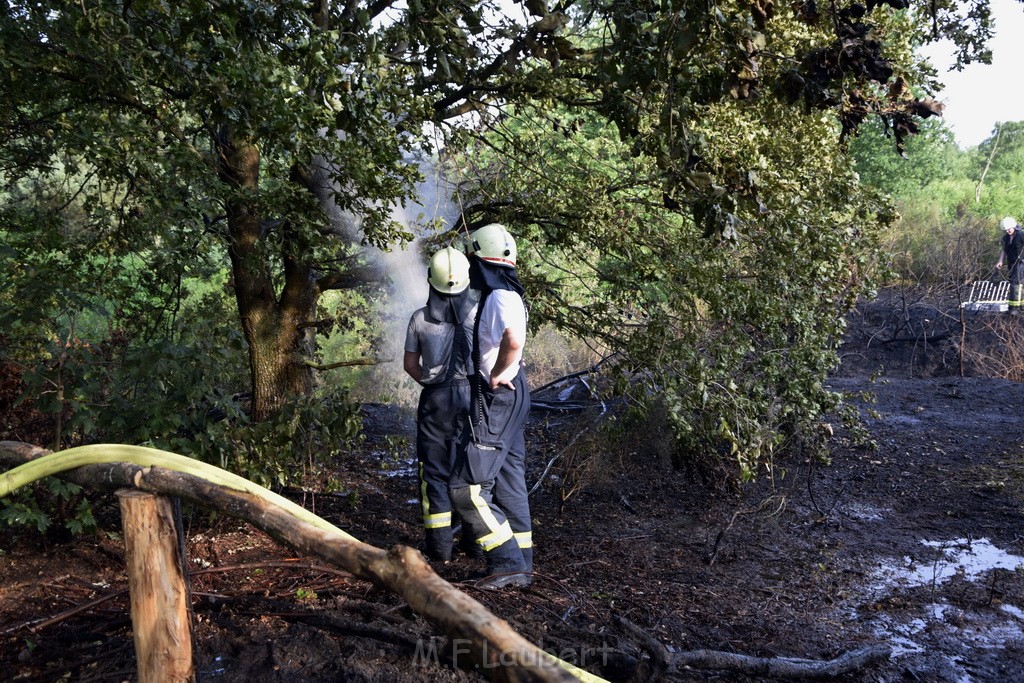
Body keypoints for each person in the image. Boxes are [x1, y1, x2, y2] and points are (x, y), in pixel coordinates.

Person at [448, 223, 534, 589]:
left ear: (480, 260)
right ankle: (523, 560)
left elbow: (512, 341)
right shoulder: (510, 293)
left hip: (499, 397)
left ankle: (507, 563)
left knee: (466, 489)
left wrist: (497, 373)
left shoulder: (499, 297)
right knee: (510, 480)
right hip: (517, 396)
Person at [403, 247, 477, 562]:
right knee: (472, 471)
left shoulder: (419, 318)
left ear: (431, 281)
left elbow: (410, 365)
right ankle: (475, 544)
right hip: (472, 400)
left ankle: (440, 550)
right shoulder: (480, 311)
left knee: (433, 473)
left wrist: (431, 382)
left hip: (435, 401)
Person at [996, 216, 1024, 310]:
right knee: (1016, 283)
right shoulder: (1006, 238)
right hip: (1011, 263)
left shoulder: (1021, 234)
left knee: (1016, 283)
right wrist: (1000, 261)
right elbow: (1004, 250)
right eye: (1006, 230)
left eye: (1009, 229)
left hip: (1021, 263)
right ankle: (1020, 306)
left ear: (1014, 226)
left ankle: (1014, 309)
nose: (1008, 231)